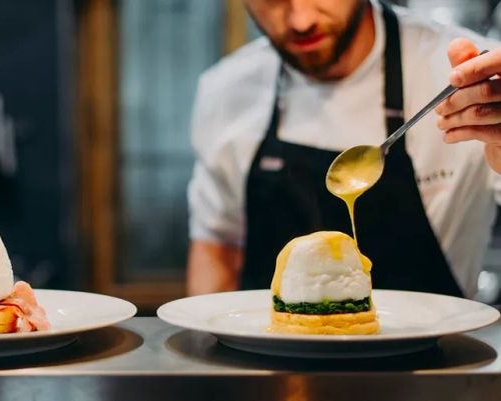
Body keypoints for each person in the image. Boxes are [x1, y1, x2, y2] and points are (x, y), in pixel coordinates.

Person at [186, 0, 501, 298]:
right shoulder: (227, 90)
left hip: (437, 351)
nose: (301, 20)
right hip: (261, 349)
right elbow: (218, 247)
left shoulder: (468, 77)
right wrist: (207, 344)